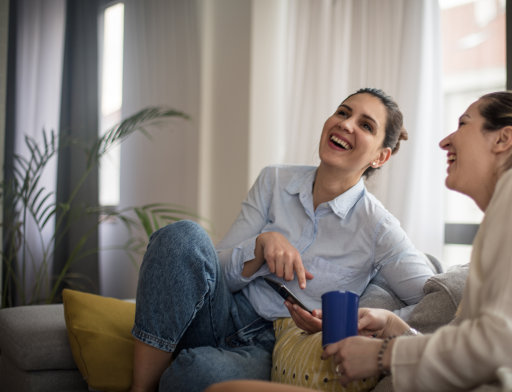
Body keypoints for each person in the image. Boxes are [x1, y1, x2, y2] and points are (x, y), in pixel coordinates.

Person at [205, 90, 512, 392]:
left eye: (463, 123)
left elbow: (502, 345)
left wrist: (383, 355)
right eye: (343, 113)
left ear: (502, 139)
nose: (445, 141)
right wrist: (393, 326)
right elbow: (485, 343)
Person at [130, 88, 436, 392]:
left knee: (193, 375)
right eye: (343, 112)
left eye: (366, 125)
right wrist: (261, 245)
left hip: (274, 345)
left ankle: (180, 360)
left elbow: (436, 302)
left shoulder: (379, 227)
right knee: (182, 235)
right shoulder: (273, 180)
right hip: (227, 310)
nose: (346, 124)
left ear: (380, 157)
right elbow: (215, 270)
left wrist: (375, 321)